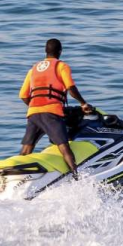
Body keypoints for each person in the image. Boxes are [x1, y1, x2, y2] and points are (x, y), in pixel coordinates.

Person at [19, 38, 92, 179]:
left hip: (33, 112)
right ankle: (77, 178)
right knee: (64, 146)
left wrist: (36, 106)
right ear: (60, 51)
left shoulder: (33, 69)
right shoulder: (61, 66)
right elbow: (70, 88)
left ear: (46, 51)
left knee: (27, 149)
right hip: (51, 112)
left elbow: (23, 95)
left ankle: (16, 178)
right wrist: (83, 103)